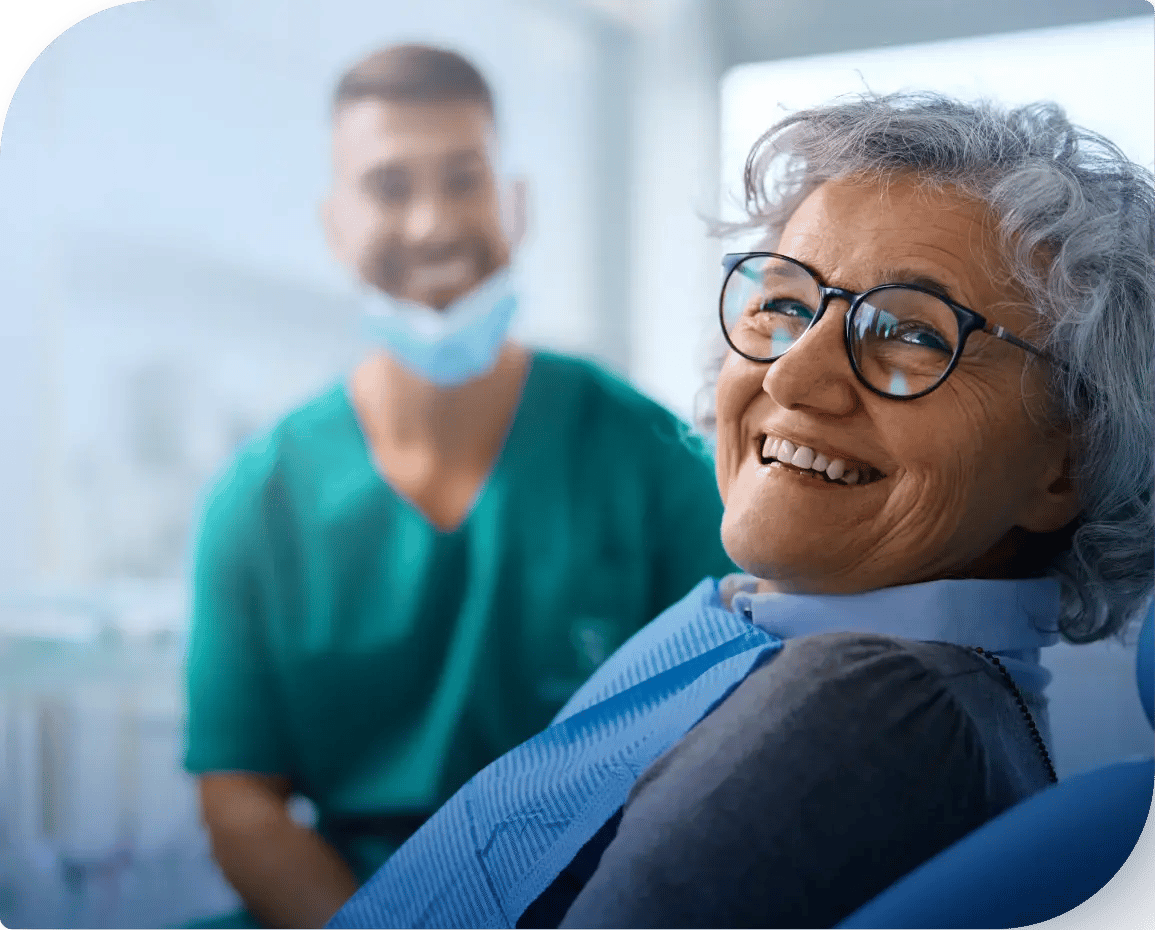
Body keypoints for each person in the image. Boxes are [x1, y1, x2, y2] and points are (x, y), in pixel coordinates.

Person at [325, 92, 1155, 929]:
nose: (791, 376)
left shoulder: (867, 708)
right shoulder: (779, 639)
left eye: (913, 335)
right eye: (786, 305)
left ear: (1065, 467)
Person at [182, 45, 735, 929]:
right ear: (334, 225)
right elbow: (241, 803)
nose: (432, 222)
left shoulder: (650, 459)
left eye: (463, 179)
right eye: (389, 186)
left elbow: (728, 746)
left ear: (516, 204)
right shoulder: (258, 502)